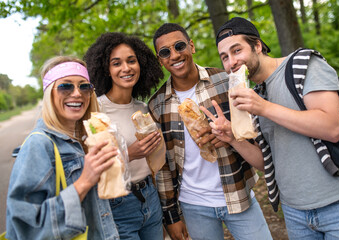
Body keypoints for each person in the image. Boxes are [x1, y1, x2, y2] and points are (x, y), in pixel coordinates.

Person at [215, 17, 339, 240]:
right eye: (224, 57)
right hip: (295, 213)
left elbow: (331, 127)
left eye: (237, 50)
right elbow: (268, 163)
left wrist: (263, 108)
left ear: (257, 46)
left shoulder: (303, 64)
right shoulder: (256, 93)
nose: (231, 62)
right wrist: (233, 139)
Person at [148, 23, 272, 240]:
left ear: (191, 46)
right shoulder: (157, 105)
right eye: (165, 52)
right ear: (160, 60)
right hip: (193, 204)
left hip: (238, 193)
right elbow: (164, 166)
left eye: (179, 46)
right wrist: (171, 216)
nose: (175, 55)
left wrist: (231, 136)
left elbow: (256, 131)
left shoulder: (226, 81)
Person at [6, 56, 120, 239]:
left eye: (84, 86)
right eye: (65, 86)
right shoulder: (38, 145)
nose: (77, 93)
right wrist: (84, 182)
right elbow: (26, 228)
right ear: (49, 92)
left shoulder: (85, 139)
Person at [84, 32, 164, 240]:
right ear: (106, 70)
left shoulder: (144, 108)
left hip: (150, 197)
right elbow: (88, 165)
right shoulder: (95, 110)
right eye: (116, 63)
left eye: (131, 61)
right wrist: (129, 153)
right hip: (117, 204)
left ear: (141, 65)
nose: (126, 68)